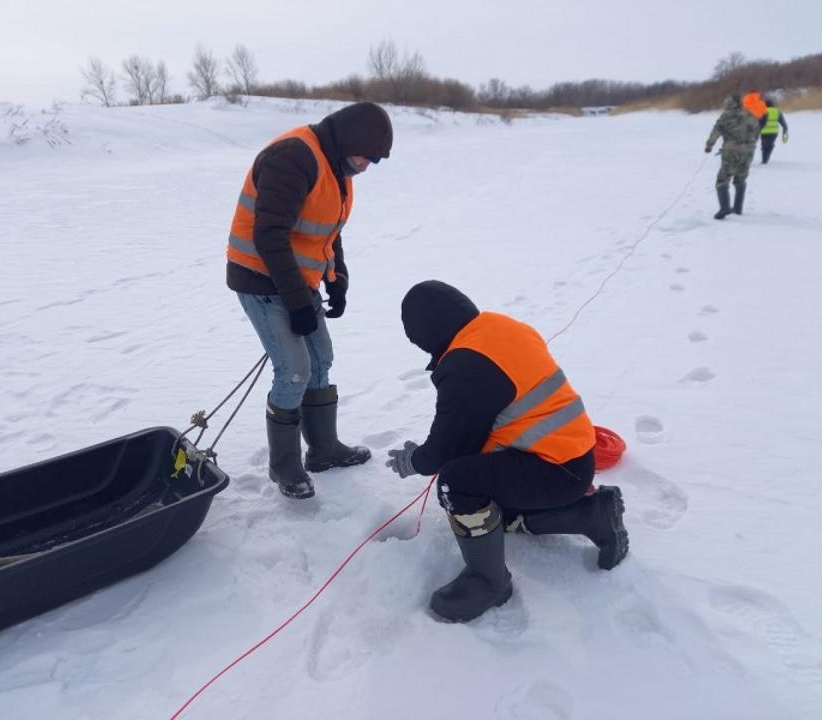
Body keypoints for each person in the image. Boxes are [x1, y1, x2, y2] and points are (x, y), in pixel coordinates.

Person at [385, 280, 629, 623]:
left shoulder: (466, 367)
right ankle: (592, 515)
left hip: (554, 468)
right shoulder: (496, 328)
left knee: (457, 483)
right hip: (570, 455)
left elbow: (446, 451)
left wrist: (415, 460)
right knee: (489, 501)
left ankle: (489, 582)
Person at [227, 102, 393, 499]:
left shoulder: (336, 166)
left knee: (321, 358)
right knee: (295, 370)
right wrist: (298, 303)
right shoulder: (293, 157)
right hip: (259, 278)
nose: (365, 167)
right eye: (364, 158)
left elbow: (327, 230)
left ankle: (323, 450)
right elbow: (270, 236)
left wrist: (338, 279)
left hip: (296, 281)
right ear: (348, 141)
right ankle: (285, 467)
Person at [705, 94, 761, 220]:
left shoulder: (726, 115)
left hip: (731, 150)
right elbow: (757, 131)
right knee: (741, 178)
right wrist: (750, 144)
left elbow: (716, 130)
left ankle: (724, 208)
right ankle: (738, 208)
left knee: (722, 179)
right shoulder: (751, 114)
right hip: (748, 150)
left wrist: (709, 144)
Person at [759, 97, 789, 164]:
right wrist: (785, 129)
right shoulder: (777, 111)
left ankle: (764, 159)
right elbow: (782, 122)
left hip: (763, 131)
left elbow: (758, 121)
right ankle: (765, 159)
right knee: (769, 145)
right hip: (773, 132)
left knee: (764, 145)